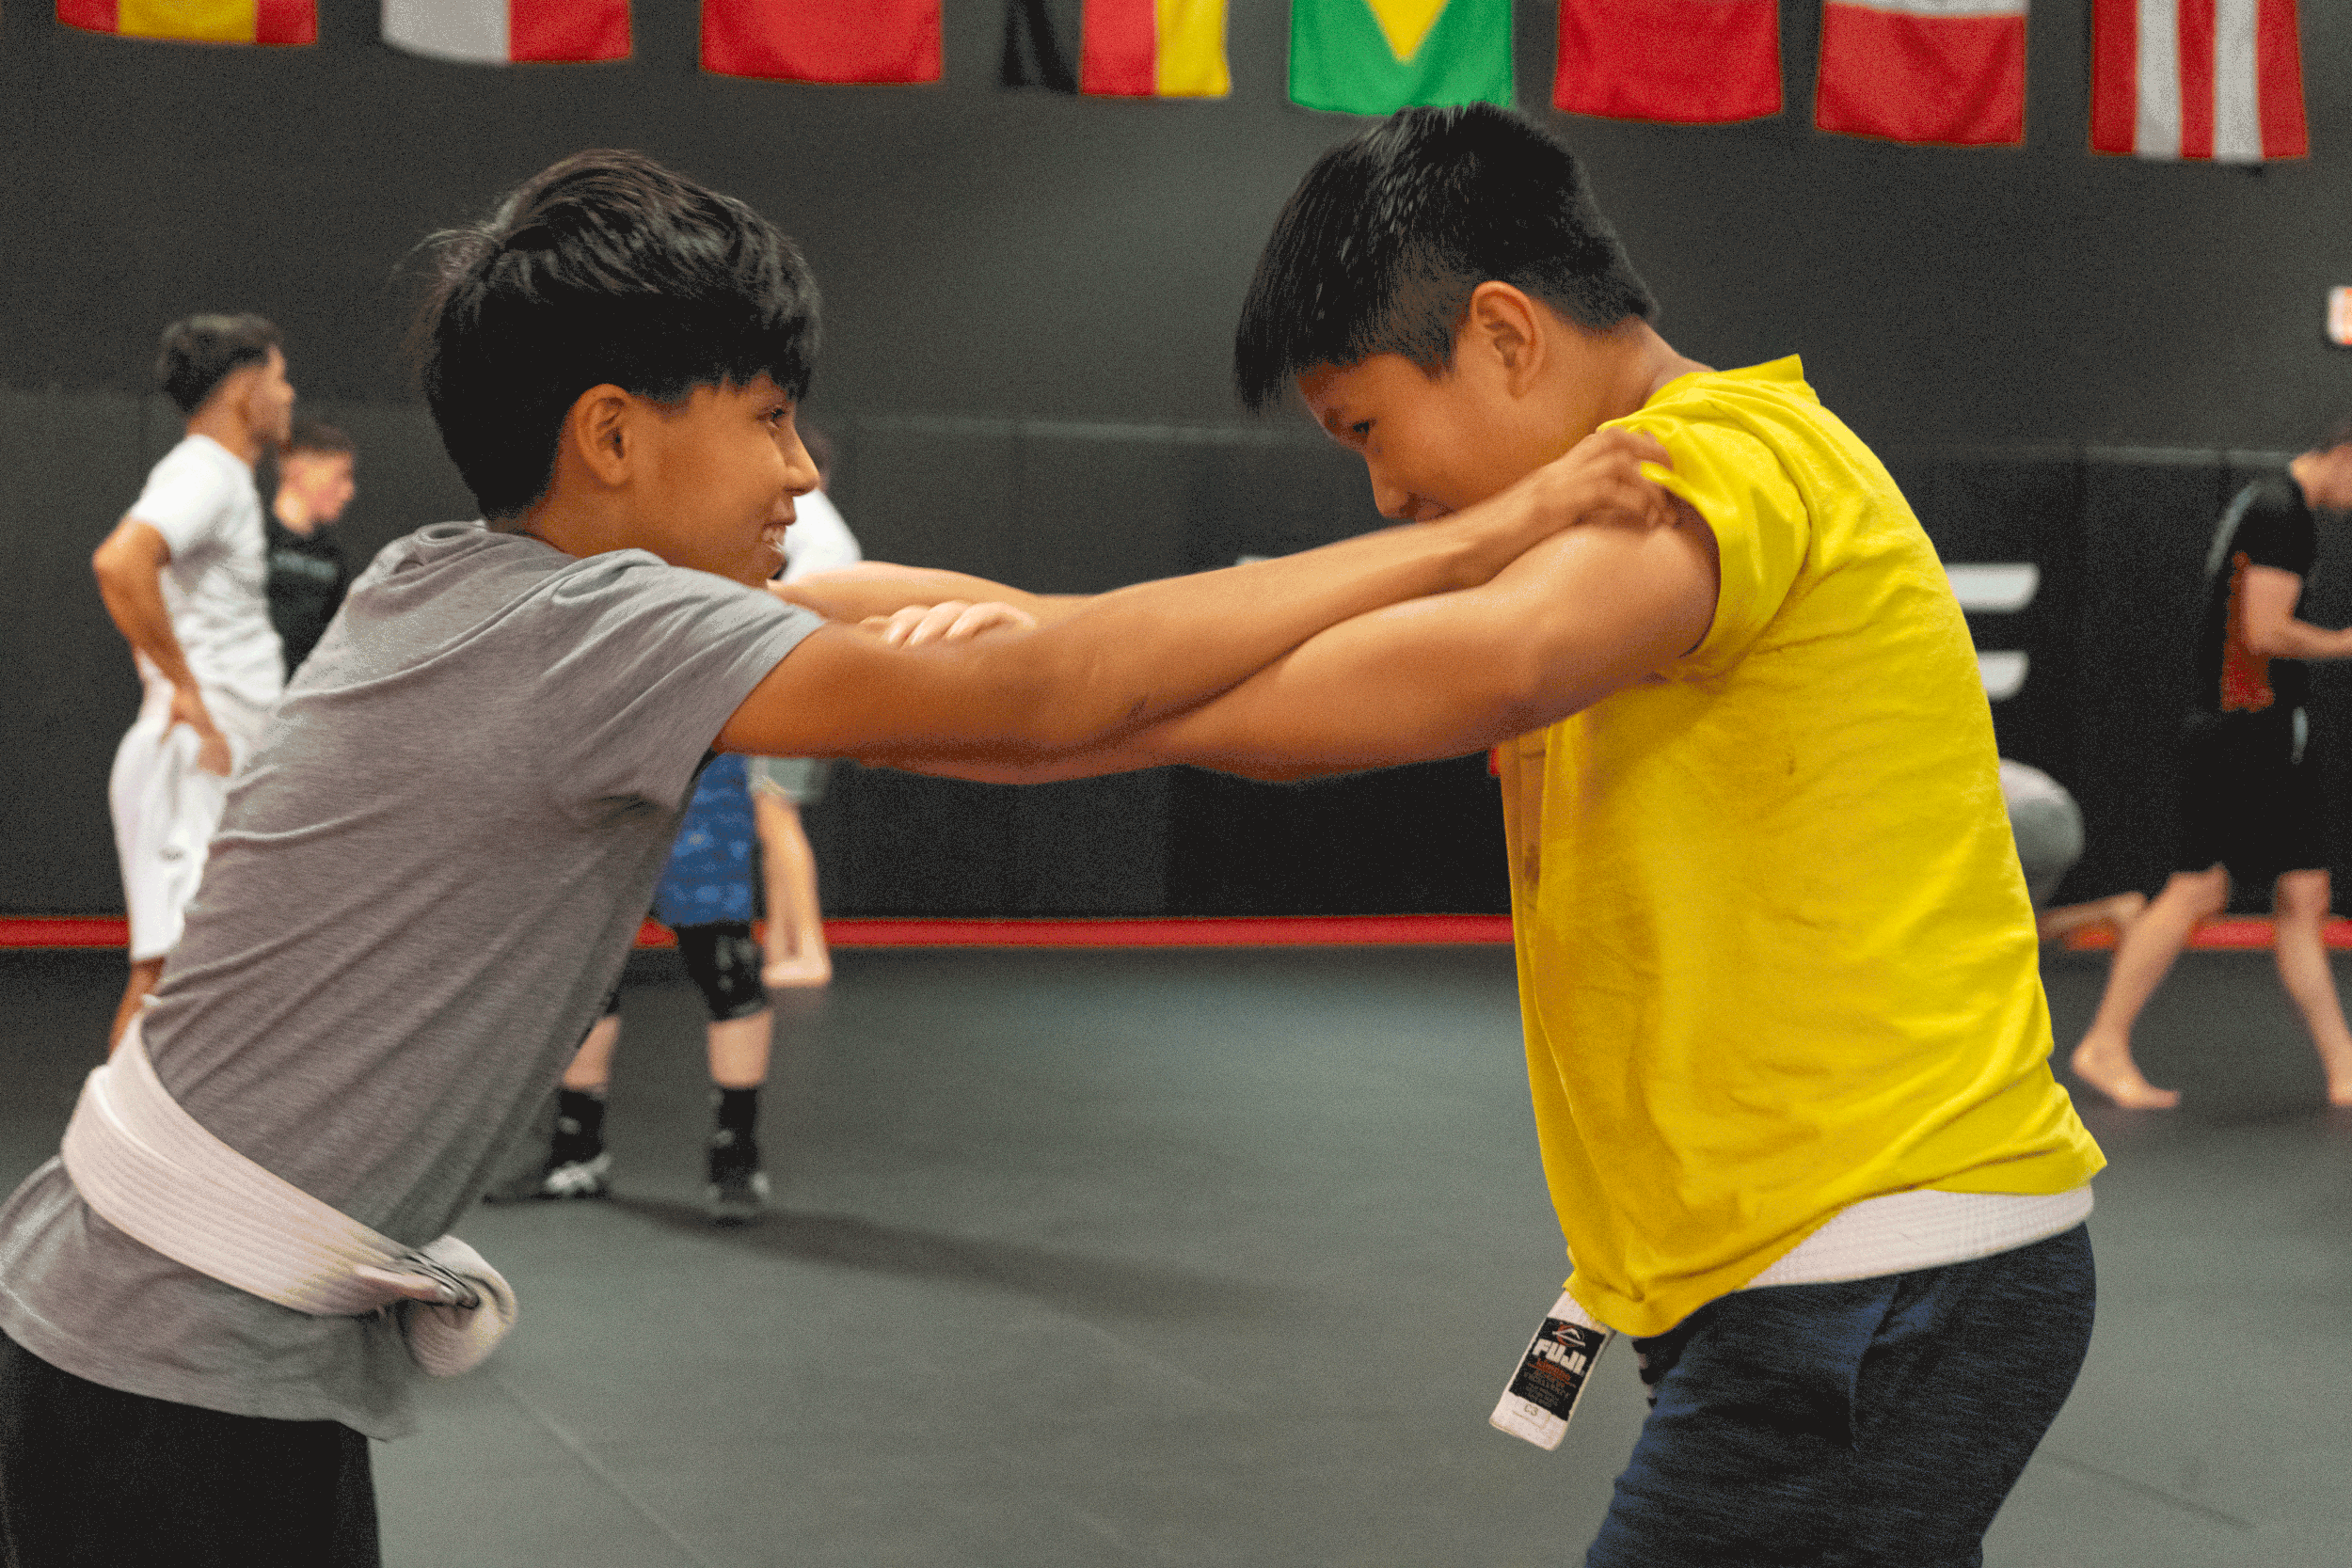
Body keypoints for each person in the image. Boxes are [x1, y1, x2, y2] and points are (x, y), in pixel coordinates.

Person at [0, 148, 1610, 1560]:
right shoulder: (603, 632)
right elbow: (1044, 685)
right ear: (615, 438)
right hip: (174, 1366)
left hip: (124, 1319)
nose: (807, 468)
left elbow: (1024, 640)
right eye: (772, 420)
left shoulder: (456, 578)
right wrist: (1466, 542)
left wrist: (1197, 652)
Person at [803, 106, 2107, 1566]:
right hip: (1823, 1277)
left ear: (1502, 333)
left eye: (1368, 426)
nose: (1384, 486)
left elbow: (1477, 663)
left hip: (1877, 1276)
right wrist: (745, 648)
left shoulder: (1723, 458)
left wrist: (1063, 696)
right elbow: (1119, 661)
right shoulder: (1614, 510)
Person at [2069, 432, 2352, 1110]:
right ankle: (2103, 1042)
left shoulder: (2274, 505)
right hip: (2242, 729)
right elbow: (2264, 632)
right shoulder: (2281, 512)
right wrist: (2345, 643)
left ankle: (2344, 1066)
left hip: (2264, 728)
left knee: (2303, 896)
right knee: (2197, 890)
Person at [88, 314, 295, 1053]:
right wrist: (186, 692)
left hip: (211, 765)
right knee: (167, 979)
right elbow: (121, 562)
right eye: (278, 377)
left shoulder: (222, 478)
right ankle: (101, 1169)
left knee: (201, 981)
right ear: (244, 389)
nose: (288, 394)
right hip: (186, 762)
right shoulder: (205, 472)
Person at [502, 752, 781, 1221]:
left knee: (726, 965)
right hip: (594, 769)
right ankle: (578, 1150)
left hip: (700, 767)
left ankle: (736, 1155)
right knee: (583, 974)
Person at [752, 425, 861, 988]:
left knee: (776, 810)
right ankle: (783, 946)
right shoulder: (823, 525)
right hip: (816, 670)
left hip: (801, 671)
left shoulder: (799, 512)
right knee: (771, 812)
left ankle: (810, 952)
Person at [2001, 758, 2147, 943]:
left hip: (2034, 814)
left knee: (1977, 929)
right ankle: (2111, 910)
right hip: (2054, 813)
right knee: (2008, 928)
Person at [262, 418, 358, 676]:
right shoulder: (252, 540)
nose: (348, 491)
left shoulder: (333, 556)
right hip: (247, 694)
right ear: (297, 469)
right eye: (341, 476)